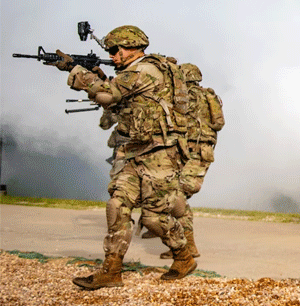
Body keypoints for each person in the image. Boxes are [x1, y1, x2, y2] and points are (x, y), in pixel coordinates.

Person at [48, 25, 197, 289]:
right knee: (117, 205)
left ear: (131, 47)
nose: (113, 56)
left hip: (159, 153)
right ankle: (111, 270)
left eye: (116, 51)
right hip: (132, 150)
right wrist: (94, 73)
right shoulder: (138, 71)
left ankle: (183, 257)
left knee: (154, 218)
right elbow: (117, 95)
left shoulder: (145, 70)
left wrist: (75, 70)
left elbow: (108, 94)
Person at [154, 63, 225, 260]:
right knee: (174, 195)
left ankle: (186, 245)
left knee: (177, 196)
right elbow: (219, 123)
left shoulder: (182, 96)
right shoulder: (210, 96)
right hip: (200, 152)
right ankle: (181, 243)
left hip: (188, 151)